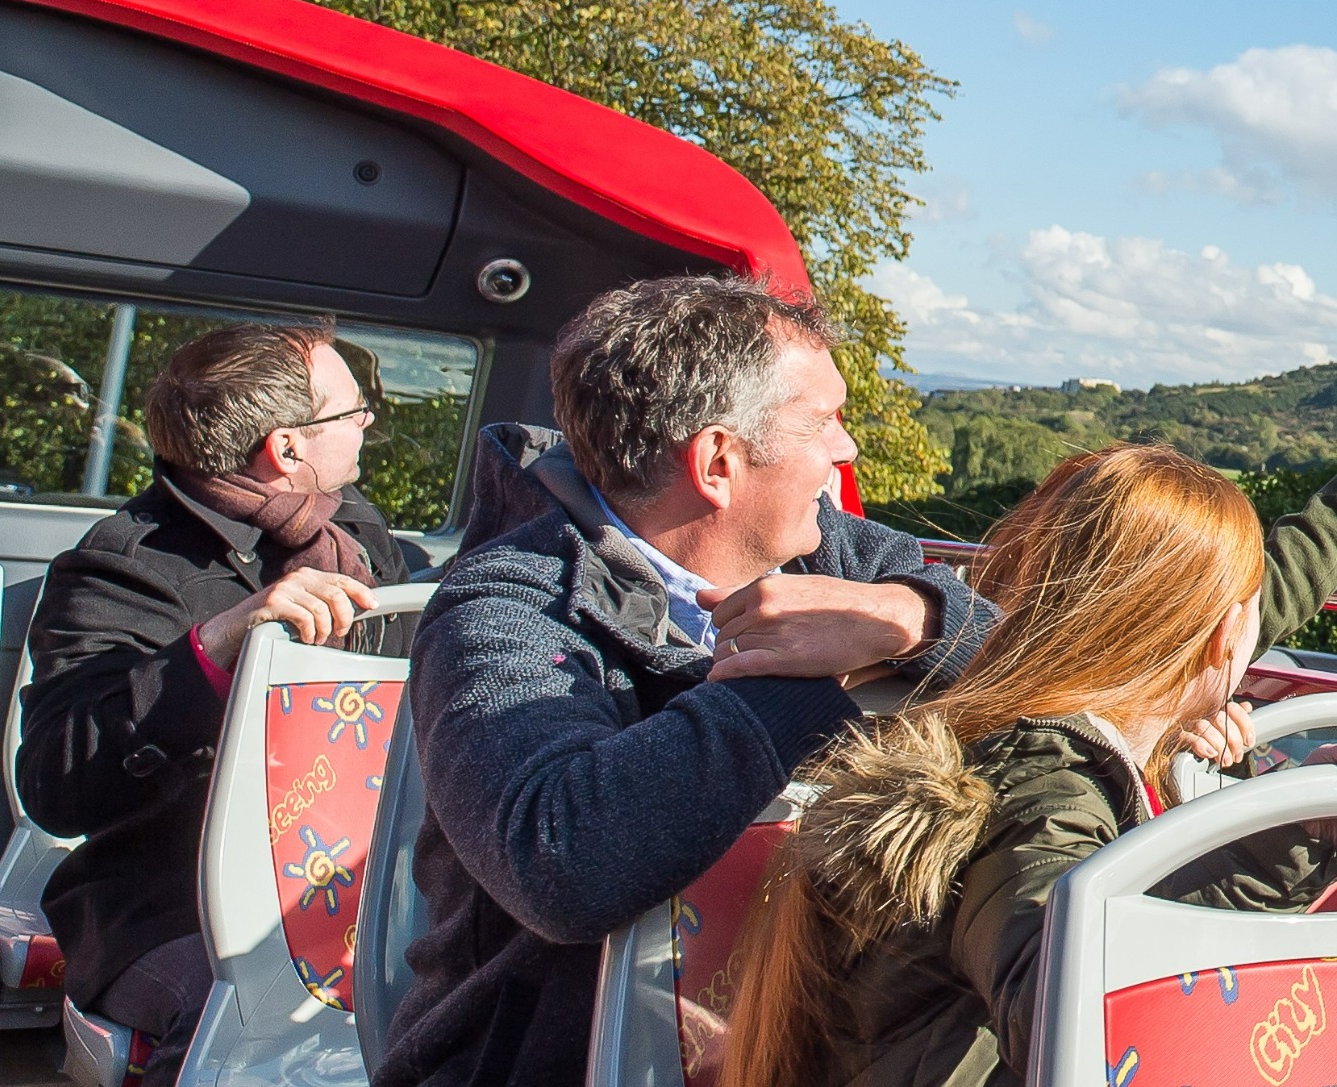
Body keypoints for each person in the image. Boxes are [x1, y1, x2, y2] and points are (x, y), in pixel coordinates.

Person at [720, 364, 1337, 1087]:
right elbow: (1075, 1018)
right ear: (1225, 637)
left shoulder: (1023, 714)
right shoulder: (1042, 778)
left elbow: (1103, 938)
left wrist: (1303, 834)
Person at [380, 275, 1000, 1087]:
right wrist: (815, 675)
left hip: (791, 1047)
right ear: (717, 461)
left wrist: (910, 618)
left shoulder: (836, 555)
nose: (845, 449)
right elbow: (562, 860)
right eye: (823, 421)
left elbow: (1022, 648)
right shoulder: (505, 606)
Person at [22, 320, 413, 1087]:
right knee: (237, 1026)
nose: (368, 422)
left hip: (354, 884)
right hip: (170, 899)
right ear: (287, 448)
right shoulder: (124, 565)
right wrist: (214, 649)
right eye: (351, 411)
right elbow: (55, 781)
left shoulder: (355, 529)